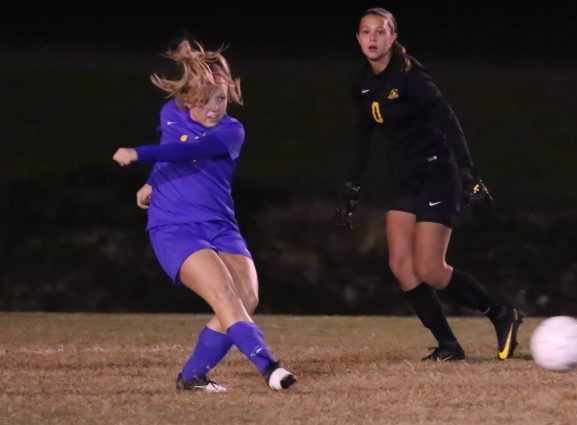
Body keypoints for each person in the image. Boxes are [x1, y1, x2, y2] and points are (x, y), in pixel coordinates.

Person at [336, 8, 522, 362]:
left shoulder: (412, 77)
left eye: (380, 32)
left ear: (393, 37)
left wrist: (470, 174)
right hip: (404, 179)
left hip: (438, 174)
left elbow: (448, 122)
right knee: (401, 265)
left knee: (430, 270)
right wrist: (351, 188)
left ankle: (500, 312)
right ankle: (449, 345)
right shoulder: (361, 82)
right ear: (358, 38)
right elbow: (363, 137)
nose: (372, 39)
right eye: (365, 32)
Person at [112, 40, 296, 392]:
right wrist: (152, 181)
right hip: (174, 225)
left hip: (220, 225)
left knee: (248, 298)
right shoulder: (170, 114)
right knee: (225, 295)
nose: (215, 108)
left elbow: (189, 149)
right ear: (188, 97)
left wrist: (140, 154)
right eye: (206, 99)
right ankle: (268, 366)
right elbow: (174, 150)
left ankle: (193, 376)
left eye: (221, 99)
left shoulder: (231, 131)